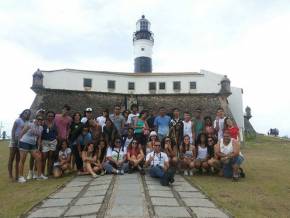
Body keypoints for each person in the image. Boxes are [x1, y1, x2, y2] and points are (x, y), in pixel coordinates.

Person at [18, 115, 47, 183]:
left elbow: (39, 138)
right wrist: (19, 142)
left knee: (39, 157)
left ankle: (39, 175)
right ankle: (20, 177)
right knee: (23, 159)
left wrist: (38, 147)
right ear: (36, 119)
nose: (40, 120)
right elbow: (22, 132)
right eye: (38, 119)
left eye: (41, 119)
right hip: (24, 142)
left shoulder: (41, 128)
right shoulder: (30, 124)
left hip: (33, 145)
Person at [8, 109, 31, 181]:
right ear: (23, 113)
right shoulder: (18, 120)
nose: (26, 114)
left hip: (21, 141)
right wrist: (13, 139)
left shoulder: (28, 122)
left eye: (28, 113)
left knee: (18, 159)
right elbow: (13, 130)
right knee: (11, 158)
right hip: (14, 141)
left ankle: (17, 175)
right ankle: (10, 175)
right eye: (25, 112)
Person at [41, 111, 58, 176]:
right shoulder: (43, 123)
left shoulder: (54, 124)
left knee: (51, 157)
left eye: (52, 116)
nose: (50, 117)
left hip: (53, 141)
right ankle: (42, 173)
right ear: (46, 116)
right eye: (49, 116)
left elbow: (56, 133)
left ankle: (49, 172)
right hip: (45, 141)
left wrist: (56, 139)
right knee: (44, 157)